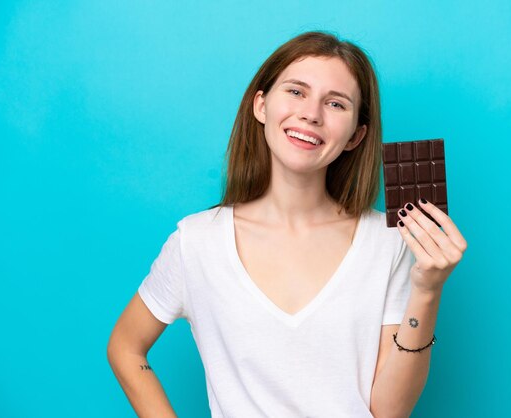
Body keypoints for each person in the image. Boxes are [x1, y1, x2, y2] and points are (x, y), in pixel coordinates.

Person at [107, 31, 467, 418]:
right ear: (261, 105)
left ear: (355, 136)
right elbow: (125, 347)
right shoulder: (196, 241)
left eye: (335, 103)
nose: (312, 113)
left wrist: (427, 290)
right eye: (296, 91)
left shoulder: (390, 242)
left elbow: (390, 411)